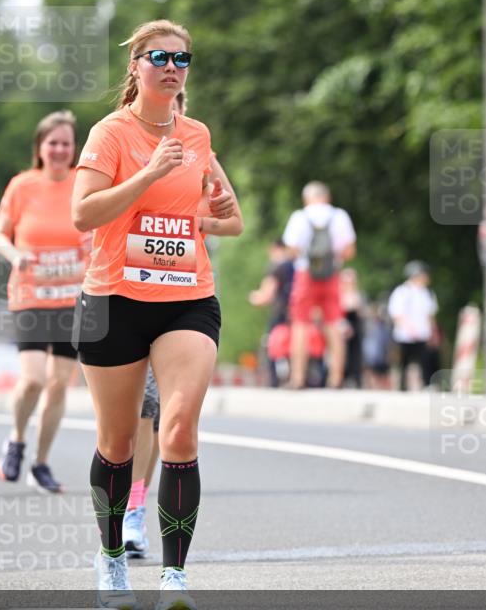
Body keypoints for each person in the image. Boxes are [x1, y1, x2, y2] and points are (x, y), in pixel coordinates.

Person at [71, 19, 235, 610]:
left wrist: (214, 211)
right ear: (136, 65)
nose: (172, 66)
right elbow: (84, 214)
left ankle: (174, 575)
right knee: (117, 442)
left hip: (187, 297)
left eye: (182, 59)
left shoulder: (197, 133)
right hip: (114, 300)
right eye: (160, 56)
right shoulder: (110, 133)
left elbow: (220, 212)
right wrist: (150, 174)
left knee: (179, 427)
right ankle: (110, 555)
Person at [123, 89, 244, 560]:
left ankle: (136, 514)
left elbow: (233, 222)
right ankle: (123, 514)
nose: (172, 114)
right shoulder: (125, 142)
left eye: (179, 106)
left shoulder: (201, 151)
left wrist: (194, 221)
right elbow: (96, 212)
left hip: (184, 300)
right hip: (129, 295)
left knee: (162, 416)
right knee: (130, 418)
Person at [0, 111, 89, 493]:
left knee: (58, 386)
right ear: (40, 148)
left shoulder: (84, 182)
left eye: (66, 143)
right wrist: (16, 256)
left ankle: (41, 463)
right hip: (31, 293)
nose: (60, 150)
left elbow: (99, 226)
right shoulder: (22, 185)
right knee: (32, 380)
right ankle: (16, 440)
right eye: (53, 143)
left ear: (74, 148)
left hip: (72, 297)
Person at [282, 182, 356, 389]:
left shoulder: (300, 216)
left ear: (307, 198)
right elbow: (349, 250)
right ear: (327, 197)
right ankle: (336, 378)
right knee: (333, 323)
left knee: (301, 324)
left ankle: (297, 378)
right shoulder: (339, 216)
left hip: (305, 274)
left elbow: (291, 249)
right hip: (331, 275)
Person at [248, 239, 295, 386]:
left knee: (273, 344)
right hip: (298, 314)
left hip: (280, 313)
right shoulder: (297, 265)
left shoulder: (276, 266)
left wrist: (254, 297)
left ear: (274, 248)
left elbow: (267, 294)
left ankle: (275, 380)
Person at [387, 261, 439, 390]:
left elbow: (430, 314)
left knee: (426, 360)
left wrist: (433, 331)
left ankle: (427, 384)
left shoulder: (427, 293)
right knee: (404, 361)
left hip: (423, 334)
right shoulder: (402, 292)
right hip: (405, 335)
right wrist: (408, 328)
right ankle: (402, 386)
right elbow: (396, 313)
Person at [339, 267, 364, 388]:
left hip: (355, 325)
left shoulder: (357, 294)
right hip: (343, 324)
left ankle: (355, 378)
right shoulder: (339, 295)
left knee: (355, 353)